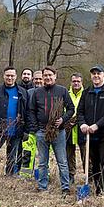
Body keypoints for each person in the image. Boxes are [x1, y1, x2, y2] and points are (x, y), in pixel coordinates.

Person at [27, 66, 74, 194]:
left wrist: (63, 119)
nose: (47, 77)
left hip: (58, 131)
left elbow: (71, 109)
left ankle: (65, 187)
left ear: (55, 76)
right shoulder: (37, 92)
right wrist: (36, 128)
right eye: (45, 75)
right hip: (41, 131)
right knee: (42, 162)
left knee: (62, 161)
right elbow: (31, 111)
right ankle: (43, 186)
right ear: (42, 77)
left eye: (50, 75)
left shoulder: (62, 91)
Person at [77, 65, 104, 195]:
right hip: (89, 134)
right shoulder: (87, 92)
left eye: (98, 73)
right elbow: (80, 111)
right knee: (93, 163)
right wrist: (83, 124)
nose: (96, 76)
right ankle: (97, 188)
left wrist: (97, 125)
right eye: (93, 73)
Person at [0, 66, 27, 178]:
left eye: (12, 75)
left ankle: (9, 176)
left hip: (16, 130)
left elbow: (27, 111)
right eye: (7, 75)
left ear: (16, 77)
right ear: (3, 76)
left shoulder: (22, 92)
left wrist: (26, 129)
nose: (10, 77)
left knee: (12, 156)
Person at [66, 73, 85, 183]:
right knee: (69, 153)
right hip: (69, 128)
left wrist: (77, 120)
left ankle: (89, 175)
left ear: (81, 82)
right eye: (74, 81)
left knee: (85, 152)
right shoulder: (66, 94)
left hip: (82, 127)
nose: (76, 83)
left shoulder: (86, 93)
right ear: (71, 82)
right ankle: (70, 175)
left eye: (78, 81)